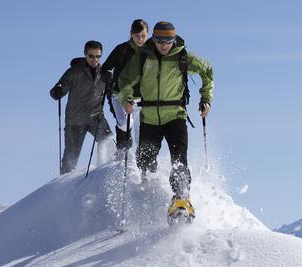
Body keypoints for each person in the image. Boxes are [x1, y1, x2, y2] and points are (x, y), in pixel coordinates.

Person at [116, 21, 213, 220]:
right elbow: (125, 80)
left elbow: (208, 71)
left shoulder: (182, 56)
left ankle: (181, 200)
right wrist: (126, 98)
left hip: (175, 116)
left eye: (168, 40)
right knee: (145, 160)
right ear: (154, 39)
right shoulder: (143, 55)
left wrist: (206, 99)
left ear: (173, 39)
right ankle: (149, 192)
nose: (164, 45)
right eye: (160, 40)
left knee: (179, 159)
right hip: (150, 117)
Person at [50, 41, 113, 174]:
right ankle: (63, 185)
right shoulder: (74, 72)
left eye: (98, 56)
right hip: (75, 120)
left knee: (108, 143)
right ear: (85, 54)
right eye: (91, 56)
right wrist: (57, 92)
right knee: (71, 156)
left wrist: (111, 81)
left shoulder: (104, 72)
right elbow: (58, 89)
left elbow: (114, 93)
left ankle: (104, 172)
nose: (94, 59)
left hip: (96, 117)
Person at [101, 19, 149, 151]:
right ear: (131, 34)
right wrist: (107, 75)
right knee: (124, 124)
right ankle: (122, 156)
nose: (140, 39)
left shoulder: (151, 52)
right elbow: (105, 67)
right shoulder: (122, 49)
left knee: (142, 134)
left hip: (142, 99)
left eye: (143, 36)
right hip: (119, 95)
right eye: (137, 36)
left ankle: (144, 166)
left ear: (148, 34)